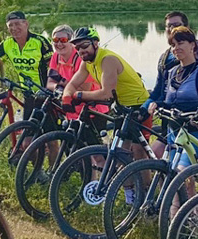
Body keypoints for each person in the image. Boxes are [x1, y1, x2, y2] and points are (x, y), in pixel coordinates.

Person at [63, 27, 153, 159]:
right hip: (122, 106)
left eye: (84, 45)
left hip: (139, 105)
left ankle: (147, 180)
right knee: (119, 153)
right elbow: (72, 84)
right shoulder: (87, 62)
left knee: (139, 152)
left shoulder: (107, 59)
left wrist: (79, 95)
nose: (81, 51)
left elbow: (107, 94)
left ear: (95, 43)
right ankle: (126, 179)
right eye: (77, 48)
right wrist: (66, 97)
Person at [146, 26, 198, 168]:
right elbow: (168, 102)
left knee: (181, 174)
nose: (176, 48)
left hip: (196, 134)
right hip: (174, 133)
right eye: (173, 45)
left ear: (192, 45)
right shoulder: (171, 72)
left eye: (180, 43)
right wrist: (156, 104)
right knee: (166, 172)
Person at [0, 10, 53, 121]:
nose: (14, 28)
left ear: (26, 24)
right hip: (28, 93)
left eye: (17, 24)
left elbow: (54, 66)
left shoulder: (40, 41)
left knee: (48, 135)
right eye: (10, 25)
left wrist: (49, 89)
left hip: (45, 94)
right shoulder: (7, 44)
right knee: (28, 134)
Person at [47, 24, 108, 121]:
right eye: (55, 40)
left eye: (63, 40)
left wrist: (62, 83)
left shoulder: (81, 58)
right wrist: (59, 87)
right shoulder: (56, 56)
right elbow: (49, 83)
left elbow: (85, 88)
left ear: (72, 42)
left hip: (92, 108)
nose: (59, 44)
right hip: (71, 107)